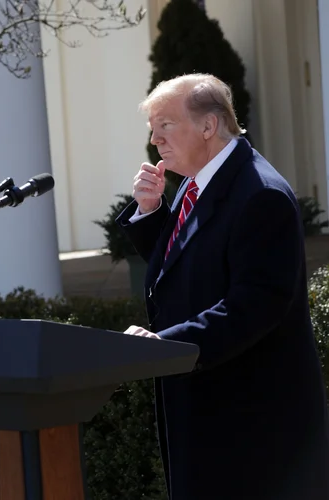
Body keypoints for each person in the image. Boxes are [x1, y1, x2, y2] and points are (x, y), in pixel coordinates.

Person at [116, 74, 329, 500]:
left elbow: (255, 304)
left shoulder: (260, 194)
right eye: (152, 129)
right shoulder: (199, 182)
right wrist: (150, 210)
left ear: (208, 126)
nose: (155, 139)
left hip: (251, 431)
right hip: (210, 410)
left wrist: (165, 344)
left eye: (165, 125)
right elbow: (189, 263)